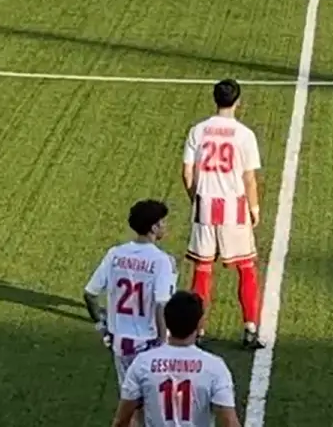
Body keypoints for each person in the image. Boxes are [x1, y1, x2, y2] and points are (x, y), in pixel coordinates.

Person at [182, 79, 263, 350]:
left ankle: (198, 330)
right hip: (234, 209)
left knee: (202, 270)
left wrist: (196, 200)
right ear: (237, 100)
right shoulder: (244, 135)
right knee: (246, 268)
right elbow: (249, 178)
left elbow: (187, 173)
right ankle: (250, 328)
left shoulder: (198, 130)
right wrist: (254, 207)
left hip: (205, 207)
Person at [85, 200, 177, 391]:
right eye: (162, 222)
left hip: (120, 343)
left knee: (129, 401)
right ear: (153, 227)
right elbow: (161, 305)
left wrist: (101, 326)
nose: (165, 226)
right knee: (154, 403)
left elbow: (90, 294)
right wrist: (163, 345)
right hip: (148, 343)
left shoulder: (115, 254)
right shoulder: (161, 261)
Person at [112, 290, 241, 427]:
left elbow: (122, 420)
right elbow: (230, 422)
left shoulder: (143, 363)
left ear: (166, 322)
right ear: (199, 324)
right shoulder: (215, 367)